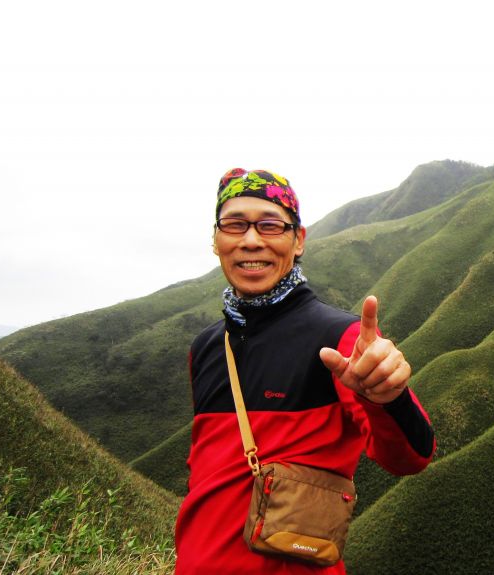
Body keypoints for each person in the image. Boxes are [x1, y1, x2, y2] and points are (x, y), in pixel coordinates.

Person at [174, 168, 436, 574]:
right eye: (235, 224)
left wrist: (389, 398)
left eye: (270, 225)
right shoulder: (207, 347)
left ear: (298, 240)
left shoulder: (340, 337)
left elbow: (412, 457)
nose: (251, 240)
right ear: (216, 240)